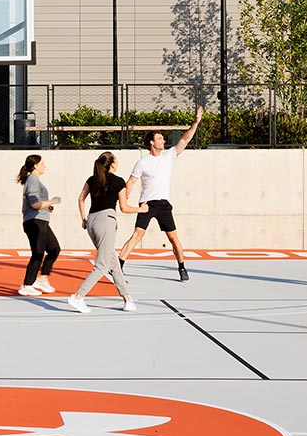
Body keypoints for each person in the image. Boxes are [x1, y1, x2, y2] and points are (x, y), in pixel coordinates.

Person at [118, 106, 204, 282]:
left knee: (173, 238)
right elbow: (131, 181)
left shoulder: (169, 156)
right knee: (137, 235)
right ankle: (118, 267)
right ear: (151, 142)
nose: (163, 141)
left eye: (163, 138)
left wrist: (196, 122)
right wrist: (125, 195)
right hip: (147, 205)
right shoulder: (142, 162)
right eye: (159, 138)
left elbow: (185, 140)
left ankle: (182, 267)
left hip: (164, 205)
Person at [68, 150, 140, 313]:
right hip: (106, 221)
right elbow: (124, 207)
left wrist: (83, 218)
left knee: (113, 262)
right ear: (112, 163)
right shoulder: (118, 181)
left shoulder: (92, 179)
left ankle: (127, 299)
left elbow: (81, 198)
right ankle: (78, 296)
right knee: (101, 265)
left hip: (92, 222)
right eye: (116, 159)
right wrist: (141, 209)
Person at [16, 154, 63, 297]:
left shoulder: (34, 180)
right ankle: (27, 285)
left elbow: (37, 203)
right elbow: (34, 204)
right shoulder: (33, 180)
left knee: (54, 249)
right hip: (35, 221)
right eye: (42, 163)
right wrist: (52, 201)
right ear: (35, 166)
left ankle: (42, 279)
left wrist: (47, 206)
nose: (44, 166)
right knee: (38, 253)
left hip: (41, 220)